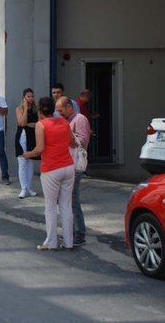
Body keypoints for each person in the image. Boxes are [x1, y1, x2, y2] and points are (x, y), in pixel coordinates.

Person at [24, 96, 75, 251]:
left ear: (40, 110)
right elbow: (72, 142)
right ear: (53, 109)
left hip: (51, 168)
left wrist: (28, 154)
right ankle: (69, 242)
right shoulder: (64, 122)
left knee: (51, 206)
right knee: (66, 206)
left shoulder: (41, 125)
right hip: (68, 166)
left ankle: (51, 242)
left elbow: (40, 149)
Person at [56, 96, 91, 247]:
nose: (59, 113)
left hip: (76, 165)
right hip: (68, 163)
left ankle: (79, 233)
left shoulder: (80, 119)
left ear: (69, 107)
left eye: (61, 110)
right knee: (67, 199)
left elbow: (82, 141)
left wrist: (66, 134)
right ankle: (73, 232)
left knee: (72, 199)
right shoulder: (69, 120)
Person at [15, 88, 39, 199]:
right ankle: (23, 189)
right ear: (24, 97)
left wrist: (29, 124)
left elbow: (38, 124)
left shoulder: (36, 109)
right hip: (22, 137)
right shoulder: (19, 109)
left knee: (30, 164)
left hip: (32, 137)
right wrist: (25, 108)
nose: (31, 98)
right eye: (28, 96)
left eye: (32, 96)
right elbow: (22, 123)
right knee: (22, 163)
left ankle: (29, 187)